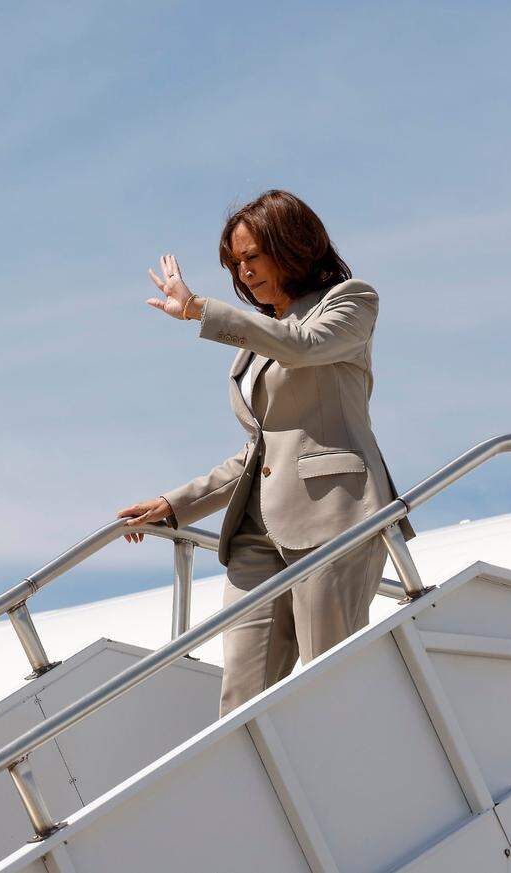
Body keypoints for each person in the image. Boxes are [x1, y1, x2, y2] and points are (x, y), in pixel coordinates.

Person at [115, 189, 416, 717]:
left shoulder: (350, 302)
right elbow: (260, 452)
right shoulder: (256, 339)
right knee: (242, 694)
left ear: (293, 246)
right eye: (236, 262)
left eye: (254, 256)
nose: (245, 271)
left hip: (332, 517)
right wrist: (175, 503)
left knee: (330, 677)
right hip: (256, 530)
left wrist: (200, 309)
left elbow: (301, 347)